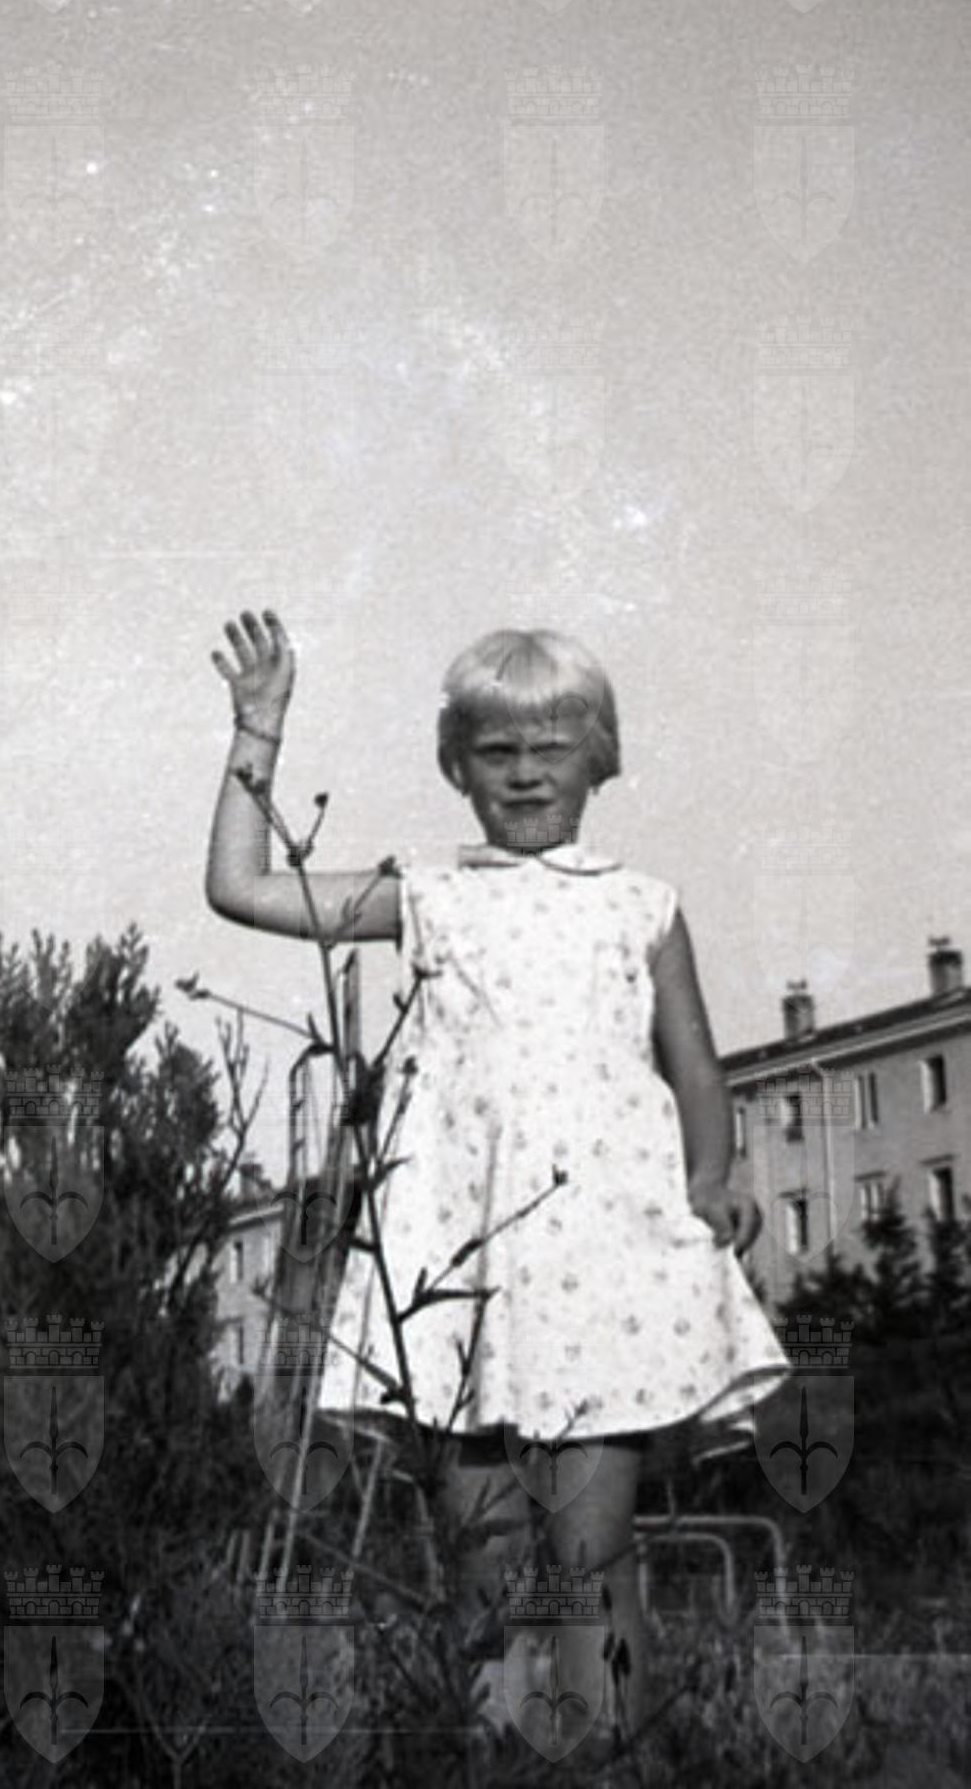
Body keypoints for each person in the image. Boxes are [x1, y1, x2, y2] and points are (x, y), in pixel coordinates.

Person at [205, 609, 791, 1752]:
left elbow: (696, 1066)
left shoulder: (643, 904)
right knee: (483, 1559)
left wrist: (712, 1175)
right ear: (457, 765)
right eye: (498, 750)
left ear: (600, 757)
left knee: (592, 1555)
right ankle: (493, 1761)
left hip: (605, 1267)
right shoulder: (428, 894)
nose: (525, 772)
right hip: (460, 1269)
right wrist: (257, 731)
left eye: (552, 747)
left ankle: (610, 1768)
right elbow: (241, 885)